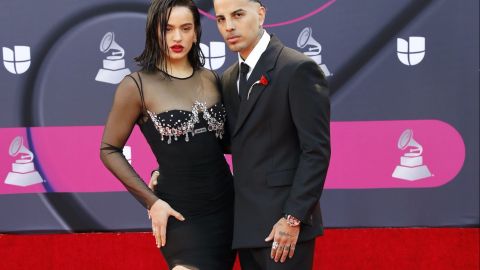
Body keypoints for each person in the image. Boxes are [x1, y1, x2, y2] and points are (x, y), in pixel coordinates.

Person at [99, 0, 235, 269]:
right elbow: (108, 149)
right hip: (179, 214)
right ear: (154, 32)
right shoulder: (137, 85)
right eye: (167, 28)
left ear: (196, 32)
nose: (177, 37)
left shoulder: (212, 79)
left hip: (227, 208)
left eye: (185, 28)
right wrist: (152, 202)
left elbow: (222, 144)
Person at [212, 0, 331, 269]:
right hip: (246, 228)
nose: (229, 26)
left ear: (261, 14)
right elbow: (227, 141)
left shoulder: (297, 68)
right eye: (221, 19)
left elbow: (315, 151)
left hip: (285, 228)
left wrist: (293, 218)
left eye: (238, 15)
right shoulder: (229, 79)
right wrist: (165, 167)